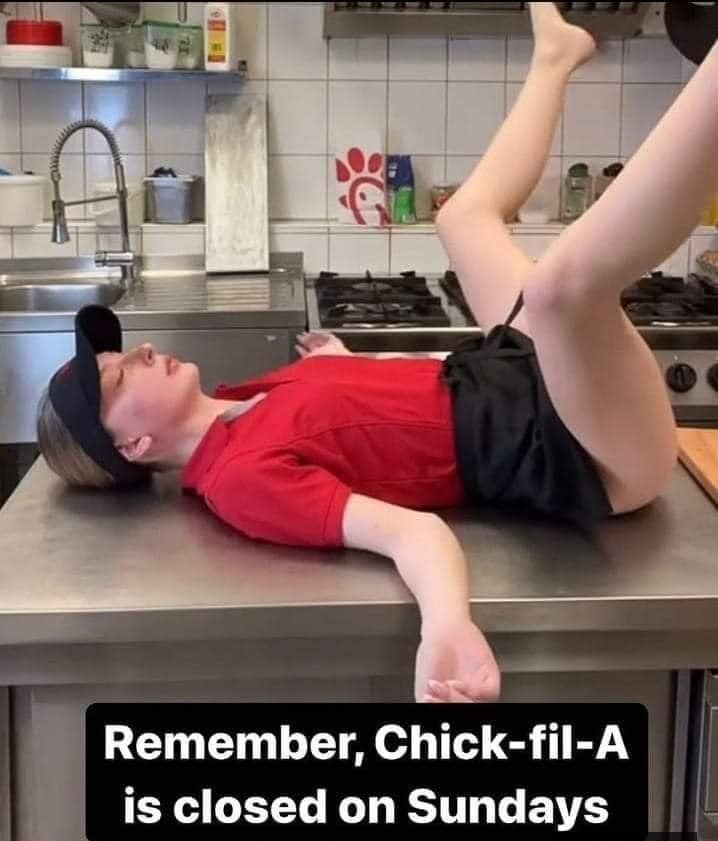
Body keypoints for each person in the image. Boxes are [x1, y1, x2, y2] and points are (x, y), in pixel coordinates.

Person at [37, 3, 716, 704]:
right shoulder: (239, 481)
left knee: (462, 218)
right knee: (559, 291)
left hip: (512, 376)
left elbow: (374, 417)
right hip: (584, 454)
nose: (141, 351)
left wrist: (340, 362)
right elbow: (411, 534)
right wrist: (446, 625)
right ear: (135, 445)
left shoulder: (243, 398)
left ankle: (557, 55)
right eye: (118, 378)